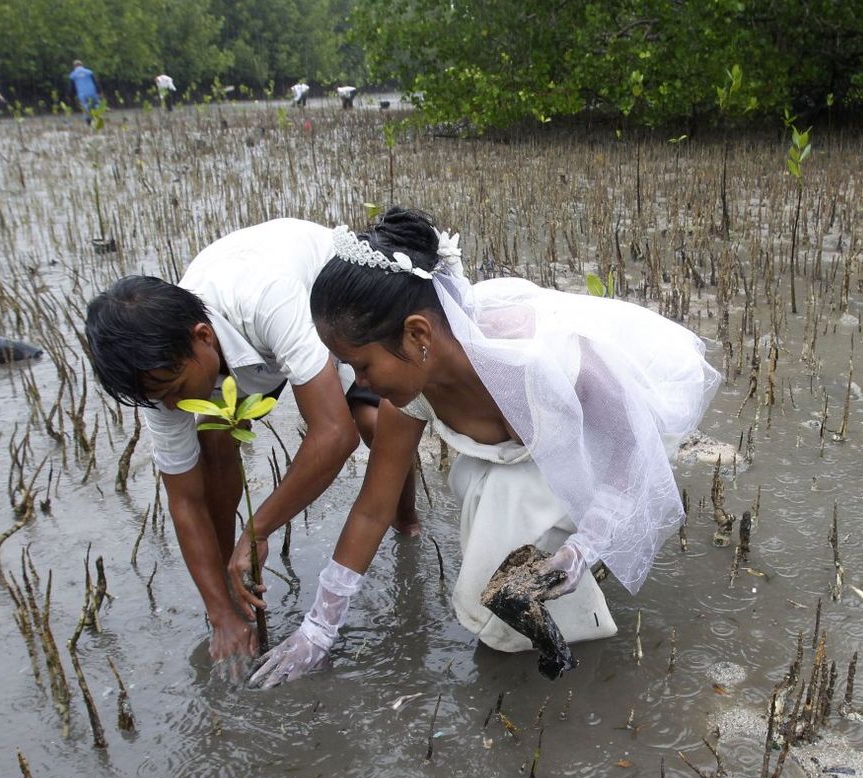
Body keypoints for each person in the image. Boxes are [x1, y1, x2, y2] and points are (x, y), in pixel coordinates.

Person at [247, 208, 720, 687]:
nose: (359, 383)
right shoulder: (407, 400)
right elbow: (373, 509)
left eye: (361, 366)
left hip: (604, 443)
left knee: (513, 502)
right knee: (488, 519)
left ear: (417, 334)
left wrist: (585, 547)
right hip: (524, 455)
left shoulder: (544, 360)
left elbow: (631, 450)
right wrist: (319, 628)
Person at [84, 218, 420, 676]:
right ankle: (233, 582)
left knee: (370, 423)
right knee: (213, 439)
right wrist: (221, 613)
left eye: (176, 388)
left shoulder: (267, 299)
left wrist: (257, 530)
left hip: (326, 303)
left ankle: (406, 520)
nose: (173, 404)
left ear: (202, 338)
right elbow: (184, 500)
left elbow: (333, 436)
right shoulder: (157, 377)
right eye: (159, 398)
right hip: (246, 348)